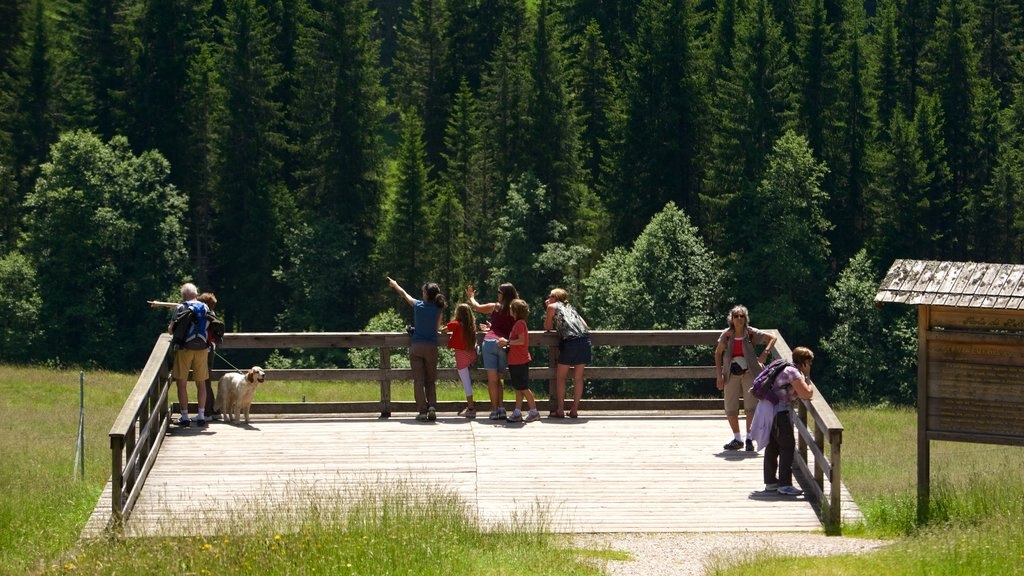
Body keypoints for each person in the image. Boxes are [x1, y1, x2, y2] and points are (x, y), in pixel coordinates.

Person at [713, 305, 777, 451]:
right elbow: (718, 353)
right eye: (736, 316)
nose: (739, 318)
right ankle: (737, 439)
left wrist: (765, 353)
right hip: (730, 373)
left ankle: (749, 438)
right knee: (730, 407)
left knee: (751, 407)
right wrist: (719, 375)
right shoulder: (727, 335)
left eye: (742, 316)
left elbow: (773, 338)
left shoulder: (750, 332)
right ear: (732, 319)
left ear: (745, 318)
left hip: (749, 372)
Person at [389, 277, 446, 421]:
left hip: (417, 346)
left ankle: (422, 411)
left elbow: (404, 294)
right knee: (430, 380)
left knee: (419, 381)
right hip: (431, 347)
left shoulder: (418, 305)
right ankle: (432, 406)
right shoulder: (439, 308)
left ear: (426, 294)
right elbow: (437, 328)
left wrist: (395, 285)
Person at [763, 346, 815, 495]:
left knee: (772, 446)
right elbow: (806, 394)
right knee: (788, 446)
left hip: (769, 410)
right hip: (780, 413)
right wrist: (808, 377)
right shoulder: (793, 373)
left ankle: (771, 482)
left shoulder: (786, 367)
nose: (810, 365)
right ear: (804, 362)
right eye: (809, 363)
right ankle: (784, 484)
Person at [467, 282, 519, 420]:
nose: (497, 294)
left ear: (504, 294)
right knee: (499, 379)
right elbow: (509, 328)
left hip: (489, 342)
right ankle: (501, 408)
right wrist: (492, 327)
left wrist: (471, 296)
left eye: (499, 292)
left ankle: (494, 409)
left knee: (492, 379)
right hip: (503, 344)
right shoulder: (516, 309)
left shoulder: (495, 307)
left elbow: (477, 307)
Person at [169, 283, 213, 428]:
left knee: (181, 384)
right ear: (196, 293)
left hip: (184, 349)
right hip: (202, 349)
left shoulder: (181, 308)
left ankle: (185, 416)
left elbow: (171, 330)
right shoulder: (205, 307)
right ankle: (201, 415)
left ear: (183, 295)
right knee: (201, 384)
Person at [543, 288, 591, 418]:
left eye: (550, 296)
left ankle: (560, 409)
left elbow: (547, 327)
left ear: (555, 297)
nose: (548, 298)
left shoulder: (551, 306)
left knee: (561, 377)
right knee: (578, 378)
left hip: (570, 342)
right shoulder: (571, 307)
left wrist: (548, 309)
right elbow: (584, 324)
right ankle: (574, 410)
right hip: (584, 341)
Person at [499, 299, 539, 422]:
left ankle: (534, 412)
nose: (510, 310)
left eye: (511, 308)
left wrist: (507, 342)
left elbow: (521, 341)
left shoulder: (520, 324)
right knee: (518, 387)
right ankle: (517, 412)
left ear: (515, 311)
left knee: (523, 387)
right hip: (515, 360)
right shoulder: (518, 324)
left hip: (520, 360)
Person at [443, 303, 479, 419]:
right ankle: (470, 407)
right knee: (467, 382)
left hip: (461, 357)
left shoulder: (457, 324)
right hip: (470, 355)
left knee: (466, 383)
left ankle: (471, 408)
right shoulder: (471, 326)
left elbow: (445, 329)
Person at [196, 292, 224, 421]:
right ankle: (215, 410)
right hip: (210, 349)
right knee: (206, 381)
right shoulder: (211, 315)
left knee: (203, 381)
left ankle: (207, 412)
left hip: (204, 351)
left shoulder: (204, 315)